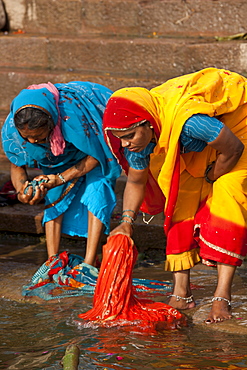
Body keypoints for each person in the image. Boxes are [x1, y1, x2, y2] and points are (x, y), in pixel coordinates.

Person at [103, 67, 247, 324]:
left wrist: (212, 175)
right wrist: (126, 222)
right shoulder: (139, 139)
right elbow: (136, 180)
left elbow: (234, 148)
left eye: (129, 136)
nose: (125, 144)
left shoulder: (190, 121)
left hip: (239, 132)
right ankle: (181, 292)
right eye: (119, 139)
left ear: (147, 124)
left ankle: (221, 297)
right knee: (178, 203)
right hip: (210, 146)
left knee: (227, 194)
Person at [1, 81, 121, 267]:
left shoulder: (74, 119)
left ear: (51, 124)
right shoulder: (13, 129)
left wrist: (61, 178)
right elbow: (17, 166)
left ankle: (89, 263)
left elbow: (98, 155)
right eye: (27, 138)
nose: (32, 141)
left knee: (97, 190)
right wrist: (22, 192)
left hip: (94, 145)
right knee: (54, 196)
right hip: (55, 155)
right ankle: (52, 260)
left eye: (39, 137)